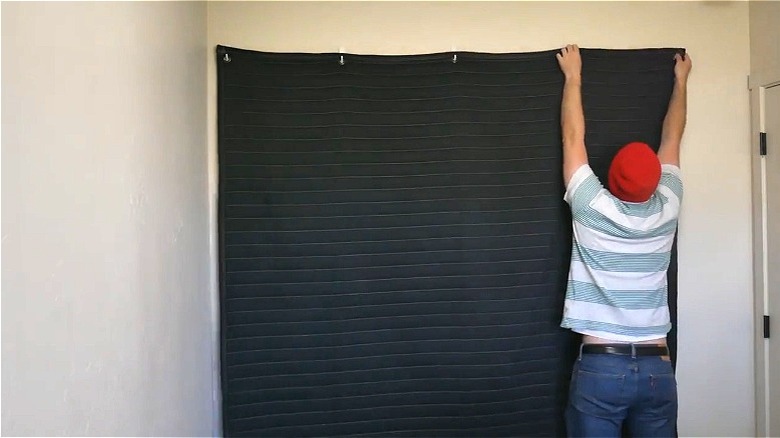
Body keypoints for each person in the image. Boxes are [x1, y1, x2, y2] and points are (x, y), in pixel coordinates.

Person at [555, 44, 692, 437]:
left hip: (601, 366)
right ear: (657, 181)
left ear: (610, 177)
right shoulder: (669, 207)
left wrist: (574, 76)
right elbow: (673, 138)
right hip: (657, 369)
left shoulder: (591, 206)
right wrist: (681, 82)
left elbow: (572, 137)